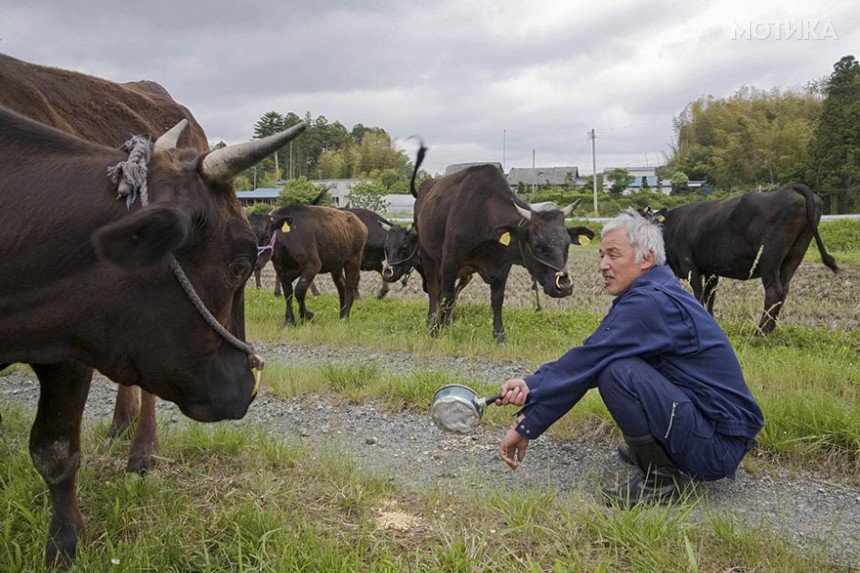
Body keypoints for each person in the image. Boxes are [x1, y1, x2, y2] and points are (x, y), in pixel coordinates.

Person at [496, 209, 764, 505]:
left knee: (616, 372)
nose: (602, 265)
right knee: (613, 362)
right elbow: (592, 351)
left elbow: (591, 361)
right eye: (600, 255)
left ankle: (660, 478)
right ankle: (659, 452)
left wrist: (527, 423)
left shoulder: (651, 302)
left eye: (613, 255)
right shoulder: (654, 290)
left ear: (646, 258)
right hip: (715, 433)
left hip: (716, 446)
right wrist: (530, 384)